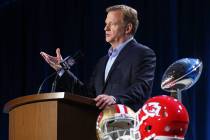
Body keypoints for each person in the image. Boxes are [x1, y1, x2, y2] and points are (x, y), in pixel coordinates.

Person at [40, 5, 156, 112]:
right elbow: (88, 95)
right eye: (106, 24)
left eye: (112, 24)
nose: (106, 28)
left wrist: (115, 99)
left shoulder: (143, 53)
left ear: (128, 28)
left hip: (128, 125)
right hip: (100, 126)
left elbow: (141, 88)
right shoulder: (102, 62)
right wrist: (62, 70)